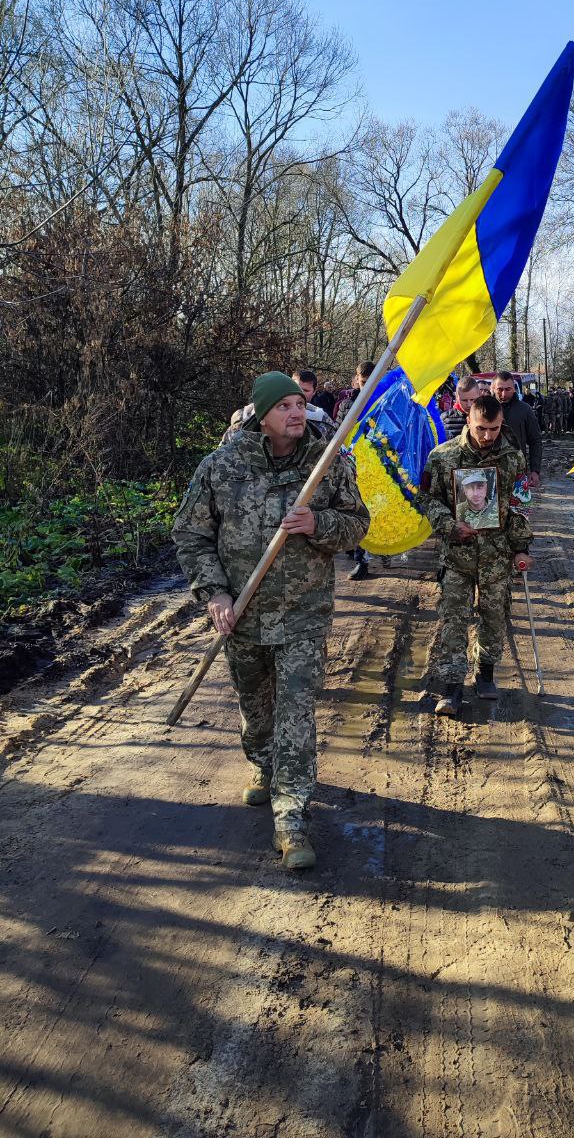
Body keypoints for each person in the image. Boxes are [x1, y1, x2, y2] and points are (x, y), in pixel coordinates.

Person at [172, 372, 370, 870]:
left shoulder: (328, 465)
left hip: (303, 615)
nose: (297, 413)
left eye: (299, 403)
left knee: (295, 714)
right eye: (284, 406)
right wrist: (215, 594)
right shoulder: (221, 467)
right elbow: (190, 535)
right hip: (241, 616)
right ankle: (263, 766)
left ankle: (291, 816)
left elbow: (359, 523)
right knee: (256, 711)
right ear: (262, 415)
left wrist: (318, 524)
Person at [422, 394, 532, 713]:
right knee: (453, 620)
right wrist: (448, 525)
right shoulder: (442, 457)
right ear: (468, 420)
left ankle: (485, 674)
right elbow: (427, 499)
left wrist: (522, 546)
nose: (488, 436)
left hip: (497, 555)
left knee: (494, 617)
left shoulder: (512, 458)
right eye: (482, 428)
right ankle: (452, 687)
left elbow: (521, 505)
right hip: (457, 554)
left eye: (495, 429)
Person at [336, 361, 377, 579]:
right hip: (354, 463)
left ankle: (381, 547)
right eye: (363, 383)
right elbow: (339, 433)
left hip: (380, 465)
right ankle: (361, 560)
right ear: (357, 380)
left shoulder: (384, 401)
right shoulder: (347, 404)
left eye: (372, 382)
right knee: (357, 509)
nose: (367, 387)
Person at [490, 371, 543, 488]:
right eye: (499, 389)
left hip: (517, 472)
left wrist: (535, 470)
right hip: (489, 472)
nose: (503, 394)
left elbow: (535, 441)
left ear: (514, 389)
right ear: (493, 388)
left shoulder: (525, 410)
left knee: (516, 506)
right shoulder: (485, 409)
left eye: (508, 389)